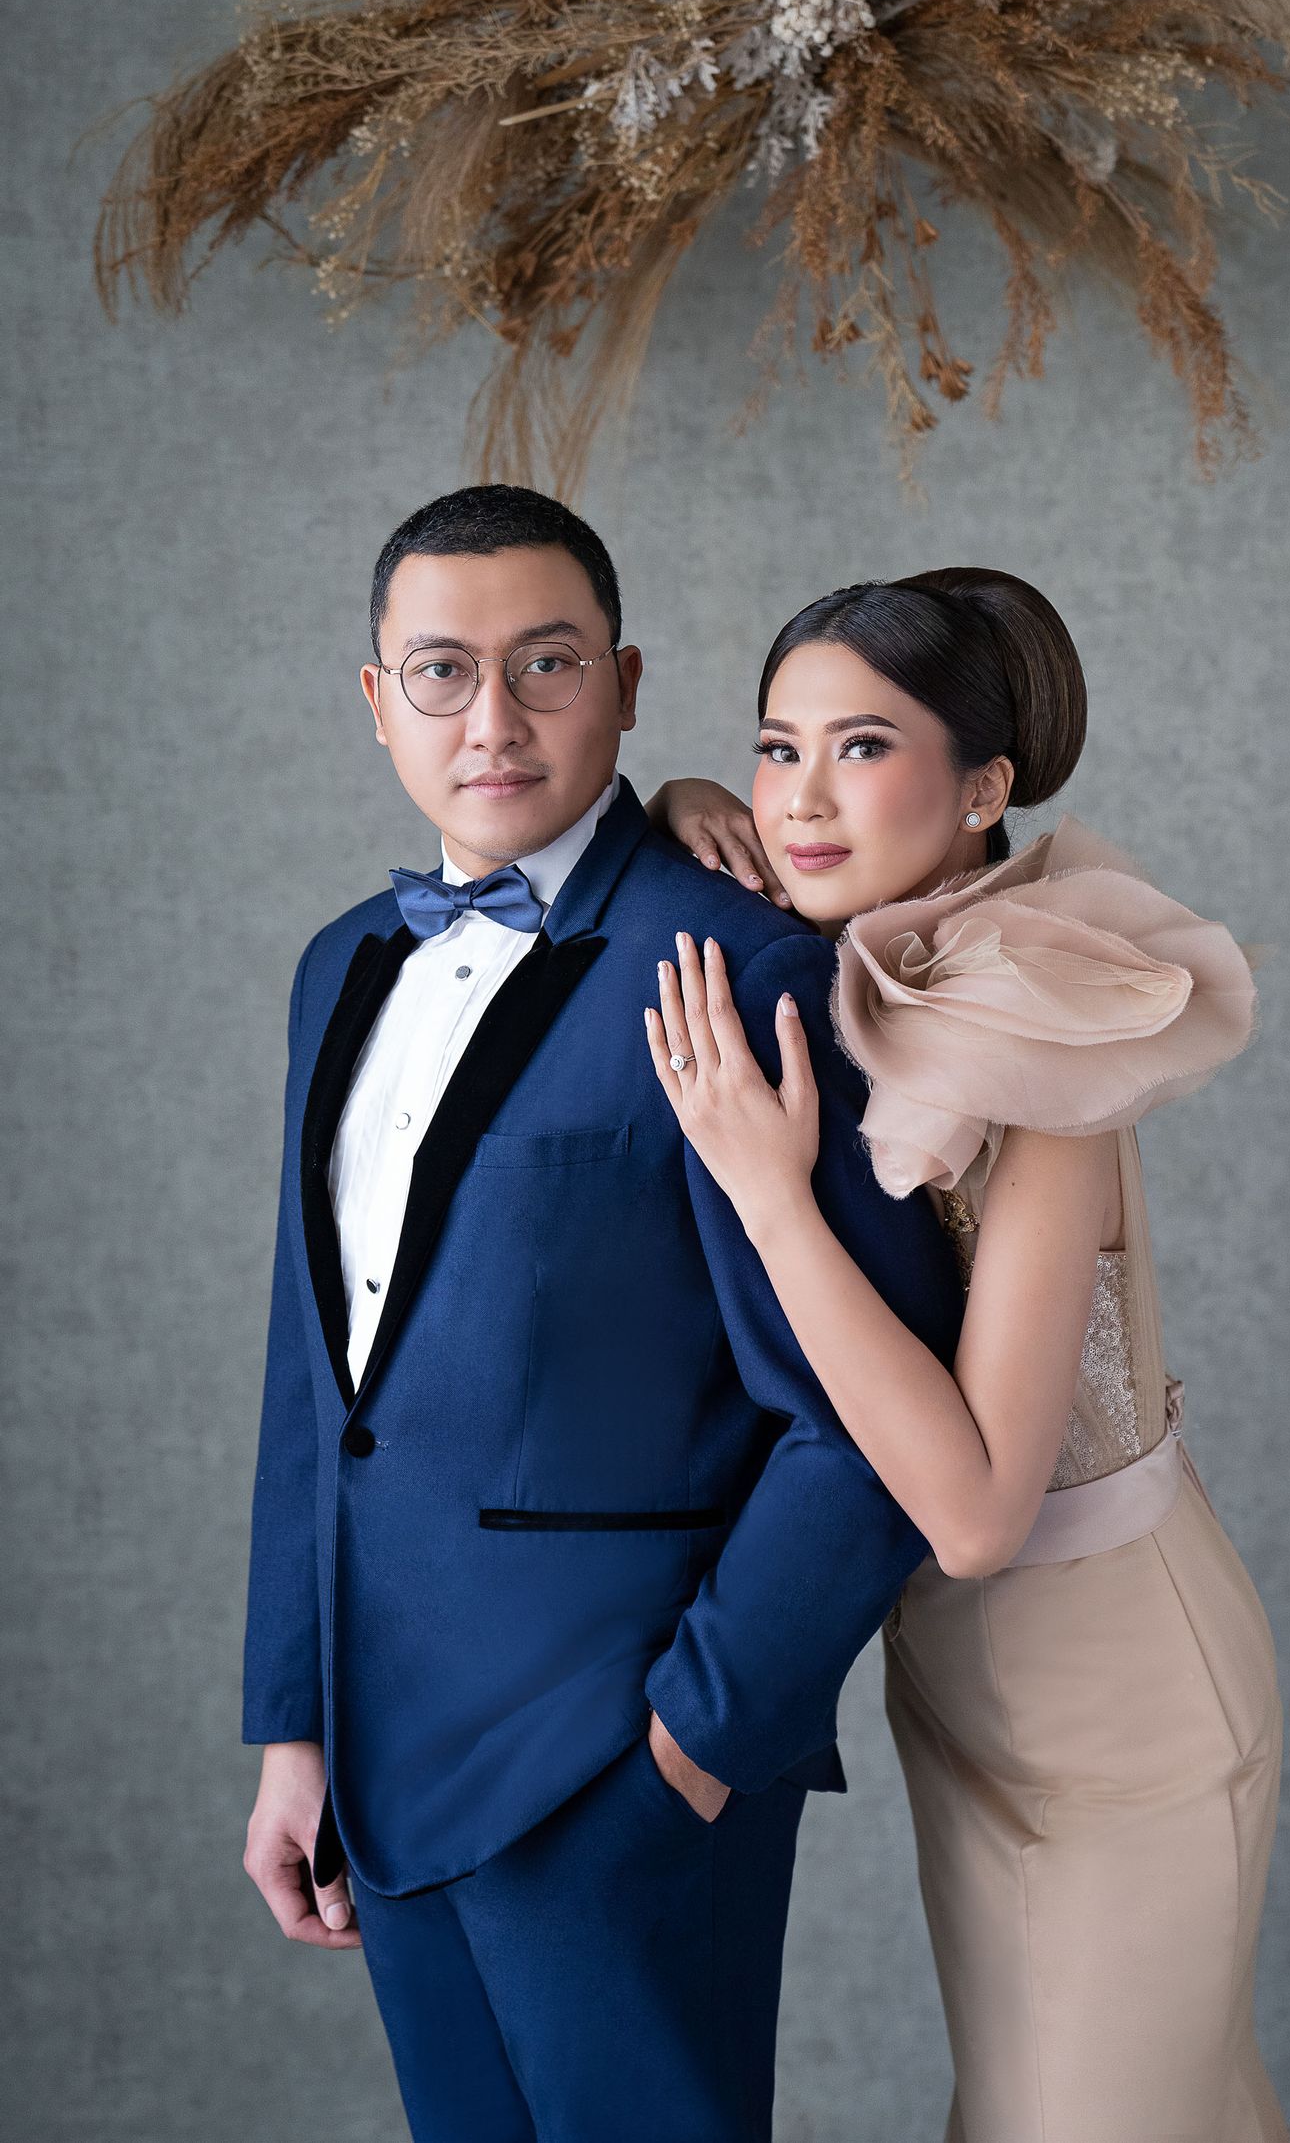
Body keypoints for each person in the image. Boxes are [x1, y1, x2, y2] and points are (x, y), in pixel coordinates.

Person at [239, 486, 965, 2143]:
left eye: (547, 663)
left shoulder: (742, 963)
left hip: (619, 1766)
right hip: (377, 1755)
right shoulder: (337, 965)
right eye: (442, 671)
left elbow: (869, 1407)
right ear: (378, 702)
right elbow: (317, 1379)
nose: (493, 720)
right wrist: (294, 1721)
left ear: (627, 686)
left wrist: (695, 1742)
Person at [647, 569, 1290, 2142]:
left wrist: (769, 1195)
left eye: (861, 747)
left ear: (988, 787)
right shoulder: (883, 940)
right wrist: (676, 808)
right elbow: (768, 841)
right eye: (776, 748)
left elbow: (983, 1509)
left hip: (1122, 1711)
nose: (801, 799)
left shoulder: (1040, 1014)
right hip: (967, 1691)